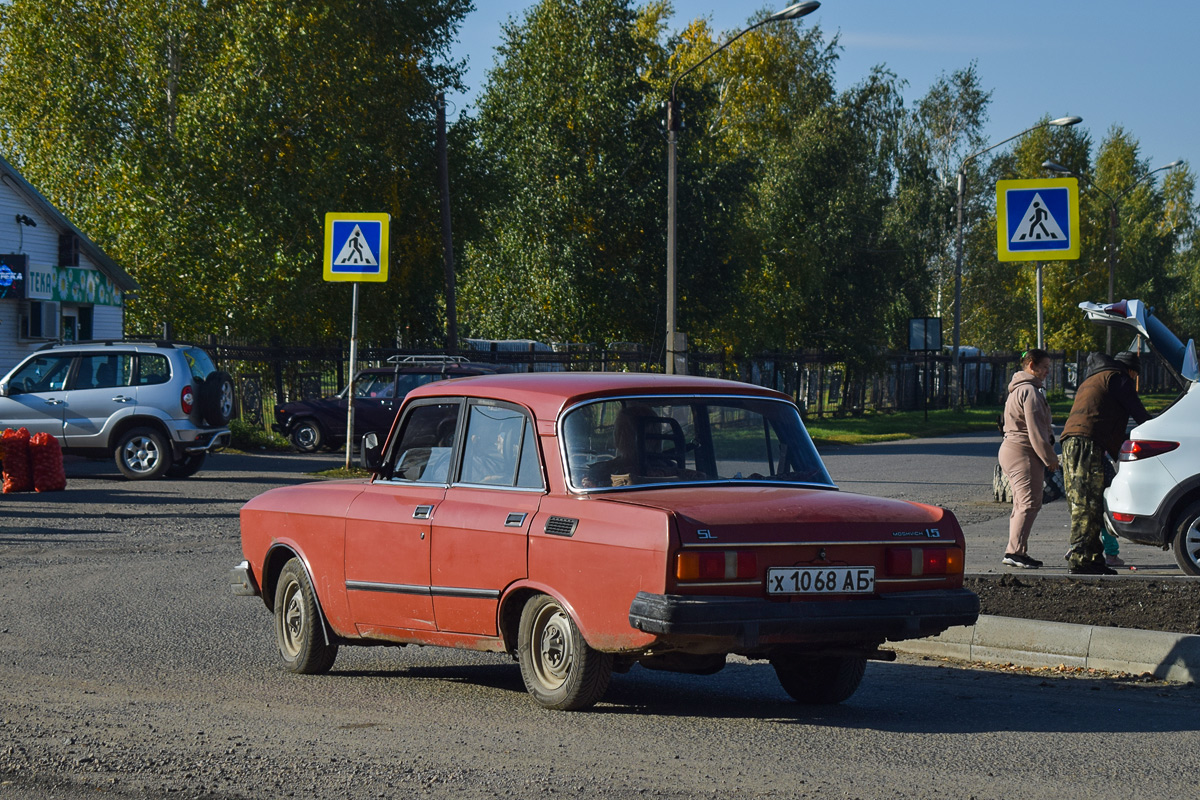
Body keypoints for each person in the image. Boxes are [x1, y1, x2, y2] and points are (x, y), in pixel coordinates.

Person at [1060, 350, 1152, 575]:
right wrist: (1156, 434)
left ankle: (1091, 558)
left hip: (1073, 442)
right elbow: (1139, 414)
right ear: (1132, 371)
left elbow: (1103, 417)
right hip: (1086, 444)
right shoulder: (1118, 378)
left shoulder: (1094, 378)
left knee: (1083, 502)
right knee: (1087, 504)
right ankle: (1083, 561)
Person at [998, 349, 1059, 568]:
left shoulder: (1019, 389)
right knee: (1029, 503)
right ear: (1031, 365)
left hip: (1014, 450)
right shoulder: (1030, 392)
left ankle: (1017, 550)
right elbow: (1036, 432)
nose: (1047, 372)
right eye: (1043, 367)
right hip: (1023, 451)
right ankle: (1014, 552)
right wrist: (1049, 458)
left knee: (1022, 503)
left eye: (1048, 368)